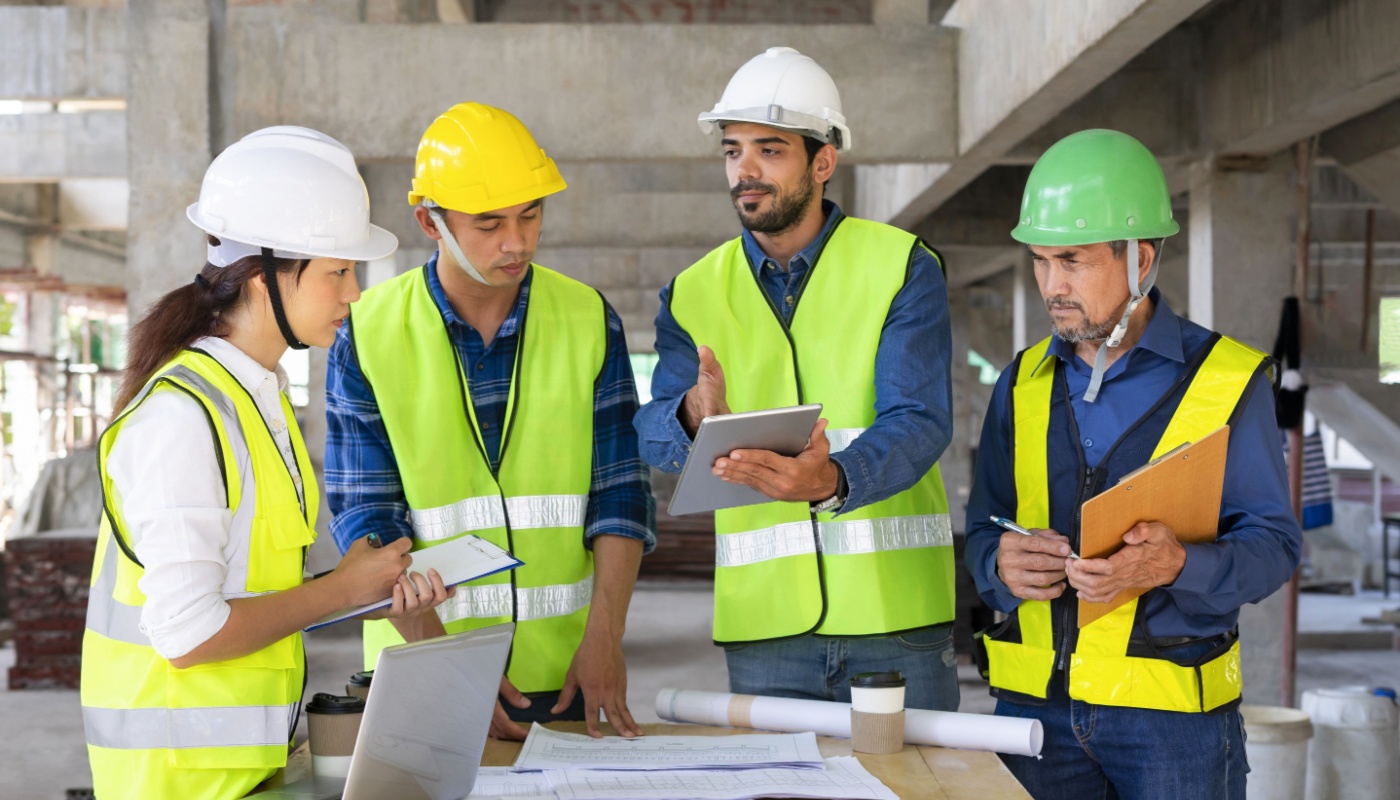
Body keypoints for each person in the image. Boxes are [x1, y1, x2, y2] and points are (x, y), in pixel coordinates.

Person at [81, 126, 453, 800]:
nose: (353, 293)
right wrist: (338, 592)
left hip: (236, 773)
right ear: (263, 277)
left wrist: (358, 589)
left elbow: (249, 592)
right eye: (338, 270)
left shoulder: (255, 399)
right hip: (176, 783)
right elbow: (188, 634)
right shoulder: (184, 418)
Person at [965, 129, 1302, 799]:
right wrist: (998, 564)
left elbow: (1275, 546)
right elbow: (983, 528)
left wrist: (1179, 564)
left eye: (1072, 260)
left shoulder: (1229, 382)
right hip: (1034, 722)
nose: (1050, 285)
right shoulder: (1021, 382)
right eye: (1038, 260)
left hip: (1173, 727)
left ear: (1140, 257)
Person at [634, 47, 959, 711]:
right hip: (766, 630)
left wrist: (835, 478)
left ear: (823, 160)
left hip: (895, 617)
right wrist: (692, 414)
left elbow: (920, 420)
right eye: (732, 150)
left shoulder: (900, 265)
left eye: (769, 150)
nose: (744, 171)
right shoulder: (692, 294)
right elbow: (651, 431)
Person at [326, 102, 655, 741]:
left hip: (568, 676)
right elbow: (366, 518)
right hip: (419, 668)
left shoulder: (588, 318)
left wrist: (606, 636)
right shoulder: (367, 332)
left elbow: (620, 494)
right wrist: (441, 664)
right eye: (489, 222)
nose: (518, 241)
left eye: (531, 213)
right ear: (430, 222)